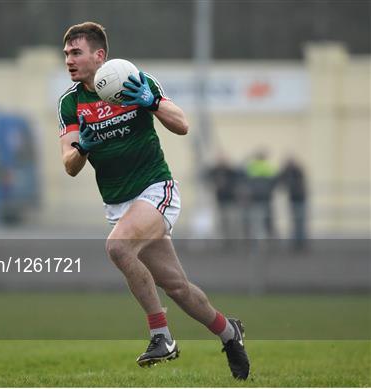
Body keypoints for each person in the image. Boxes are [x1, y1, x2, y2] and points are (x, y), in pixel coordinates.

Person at [57, 22, 250, 380]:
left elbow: (182, 124)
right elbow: (69, 165)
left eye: (76, 52)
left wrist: (153, 102)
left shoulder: (133, 79)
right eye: (67, 53)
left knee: (118, 248)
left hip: (155, 190)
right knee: (177, 287)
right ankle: (228, 332)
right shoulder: (71, 103)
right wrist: (82, 147)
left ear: (99, 55)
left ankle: (161, 335)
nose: (69, 59)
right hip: (120, 204)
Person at [279, 156, 307, 250]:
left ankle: (300, 243)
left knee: (300, 222)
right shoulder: (291, 172)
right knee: (296, 222)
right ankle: (297, 243)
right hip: (293, 199)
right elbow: (281, 180)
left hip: (299, 199)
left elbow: (289, 184)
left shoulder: (297, 172)